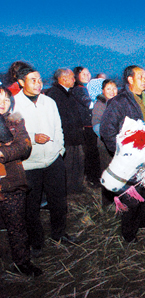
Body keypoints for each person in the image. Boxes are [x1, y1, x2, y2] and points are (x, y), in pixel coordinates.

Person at [13, 66, 76, 257]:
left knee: (58, 201)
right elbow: (13, 134)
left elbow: (58, 127)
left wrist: (59, 149)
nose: (38, 84)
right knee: (31, 206)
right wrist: (32, 138)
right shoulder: (14, 105)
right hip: (29, 163)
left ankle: (59, 234)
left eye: (40, 79)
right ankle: (36, 242)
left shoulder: (49, 102)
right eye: (33, 80)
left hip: (53, 160)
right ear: (21, 82)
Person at [100, 65, 145, 242]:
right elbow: (106, 130)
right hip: (131, 158)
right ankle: (128, 233)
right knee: (132, 196)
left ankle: (143, 220)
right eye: (141, 76)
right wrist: (121, 152)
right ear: (130, 79)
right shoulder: (120, 102)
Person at [0, 86, 43, 277]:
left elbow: (24, 147)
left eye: (7, 100)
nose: (3, 104)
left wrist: (2, 153)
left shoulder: (15, 122)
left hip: (11, 183)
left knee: (17, 226)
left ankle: (22, 262)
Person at [45, 69, 85, 194]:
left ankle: (76, 188)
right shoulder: (55, 94)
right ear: (63, 79)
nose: (74, 80)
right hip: (66, 137)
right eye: (72, 77)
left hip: (75, 136)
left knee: (78, 164)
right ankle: (66, 191)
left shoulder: (69, 93)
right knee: (68, 165)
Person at [71, 66, 101, 187]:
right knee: (91, 153)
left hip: (91, 124)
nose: (87, 76)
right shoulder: (79, 89)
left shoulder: (87, 88)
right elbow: (89, 104)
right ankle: (92, 179)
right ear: (77, 76)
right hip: (87, 126)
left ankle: (93, 177)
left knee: (94, 152)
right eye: (83, 74)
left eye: (88, 73)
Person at [92, 79, 117, 205]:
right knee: (108, 172)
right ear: (103, 91)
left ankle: (120, 199)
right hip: (105, 145)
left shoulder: (119, 103)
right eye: (108, 89)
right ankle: (107, 203)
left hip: (120, 145)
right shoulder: (100, 104)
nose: (112, 91)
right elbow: (96, 125)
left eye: (114, 88)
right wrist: (108, 138)